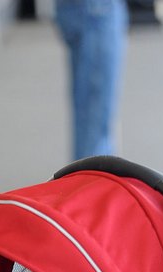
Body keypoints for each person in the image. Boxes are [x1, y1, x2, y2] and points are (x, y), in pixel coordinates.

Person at [53, 0, 129, 161]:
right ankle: (90, 179)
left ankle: (89, 176)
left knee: (88, 104)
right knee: (95, 111)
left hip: (82, 9)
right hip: (95, 9)